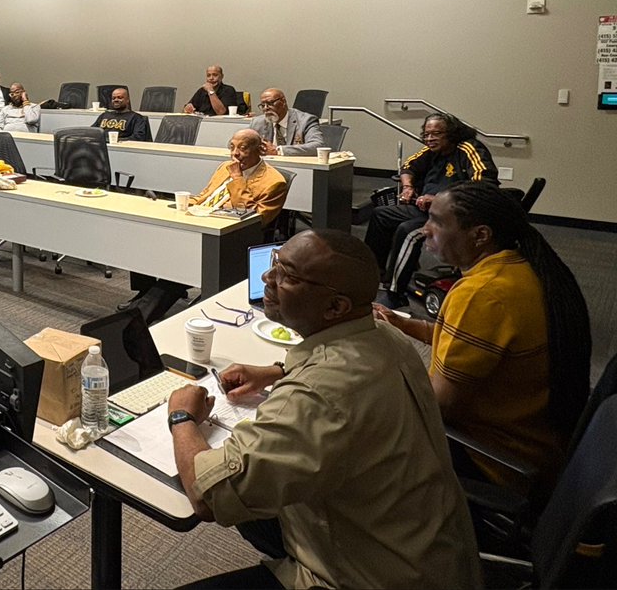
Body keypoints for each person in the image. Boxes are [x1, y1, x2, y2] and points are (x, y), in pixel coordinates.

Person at [168, 230, 481, 589]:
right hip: (423, 549)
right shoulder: (385, 335)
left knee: (226, 490)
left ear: (335, 307)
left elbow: (208, 499)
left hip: (369, 576)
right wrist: (277, 372)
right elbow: (345, 372)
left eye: (289, 276)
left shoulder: (318, 394)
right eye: (275, 266)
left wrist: (183, 417)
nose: (268, 279)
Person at [374, 182, 591, 491]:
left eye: (437, 221)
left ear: (480, 235)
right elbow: (470, 340)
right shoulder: (516, 269)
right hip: (536, 442)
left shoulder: (482, 295)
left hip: (490, 459)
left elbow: (439, 406)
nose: (425, 229)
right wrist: (403, 324)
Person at [119, 130, 287, 321]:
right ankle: (144, 296)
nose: (235, 154)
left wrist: (238, 178)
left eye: (243, 148)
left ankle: (138, 316)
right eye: (232, 147)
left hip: (233, 238)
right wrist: (178, 203)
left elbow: (252, 218)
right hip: (202, 222)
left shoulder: (274, 182)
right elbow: (205, 197)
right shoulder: (225, 167)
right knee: (150, 236)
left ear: (260, 149)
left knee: (181, 259)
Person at [365, 112, 498, 307]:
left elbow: (483, 183)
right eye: (426, 134)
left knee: (408, 231)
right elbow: (408, 166)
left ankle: (395, 294)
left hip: (454, 215)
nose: (430, 139)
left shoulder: (468, 149)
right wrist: (409, 187)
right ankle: (375, 271)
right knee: (381, 214)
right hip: (426, 209)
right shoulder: (432, 151)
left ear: (451, 133)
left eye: (436, 134)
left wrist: (439, 199)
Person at [249, 88, 323, 156]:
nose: (266, 108)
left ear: (283, 102)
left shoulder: (306, 121)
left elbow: (317, 146)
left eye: (270, 103)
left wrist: (278, 151)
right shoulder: (257, 123)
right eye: (262, 105)